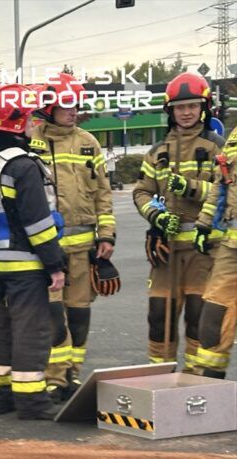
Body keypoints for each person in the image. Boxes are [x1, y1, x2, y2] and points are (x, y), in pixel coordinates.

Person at [0, 84, 66, 420]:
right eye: (29, 119)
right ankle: (32, 402)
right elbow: (37, 223)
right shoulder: (23, 165)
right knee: (31, 332)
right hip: (26, 265)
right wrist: (55, 265)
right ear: (15, 123)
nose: (33, 125)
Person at [29, 72, 119, 402]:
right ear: (48, 107)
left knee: (79, 315)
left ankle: (73, 375)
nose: (73, 111)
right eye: (66, 104)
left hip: (83, 249)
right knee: (54, 319)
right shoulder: (31, 141)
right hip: (48, 251)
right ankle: (55, 378)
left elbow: (103, 192)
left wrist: (106, 235)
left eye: (75, 104)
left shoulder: (88, 142)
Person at [133, 72, 224, 370]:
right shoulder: (157, 151)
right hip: (166, 249)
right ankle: (160, 375)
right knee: (159, 315)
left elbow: (227, 191)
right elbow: (142, 192)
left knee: (198, 316)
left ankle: (193, 378)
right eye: (180, 107)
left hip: (204, 249)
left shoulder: (217, 148)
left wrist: (190, 188)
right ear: (170, 111)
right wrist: (156, 217)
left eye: (193, 106)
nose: (186, 112)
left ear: (204, 108)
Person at [192, 125, 237, 377]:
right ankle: (210, 384)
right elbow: (221, 184)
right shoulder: (235, 137)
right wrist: (203, 223)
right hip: (232, 248)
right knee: (214, 315)